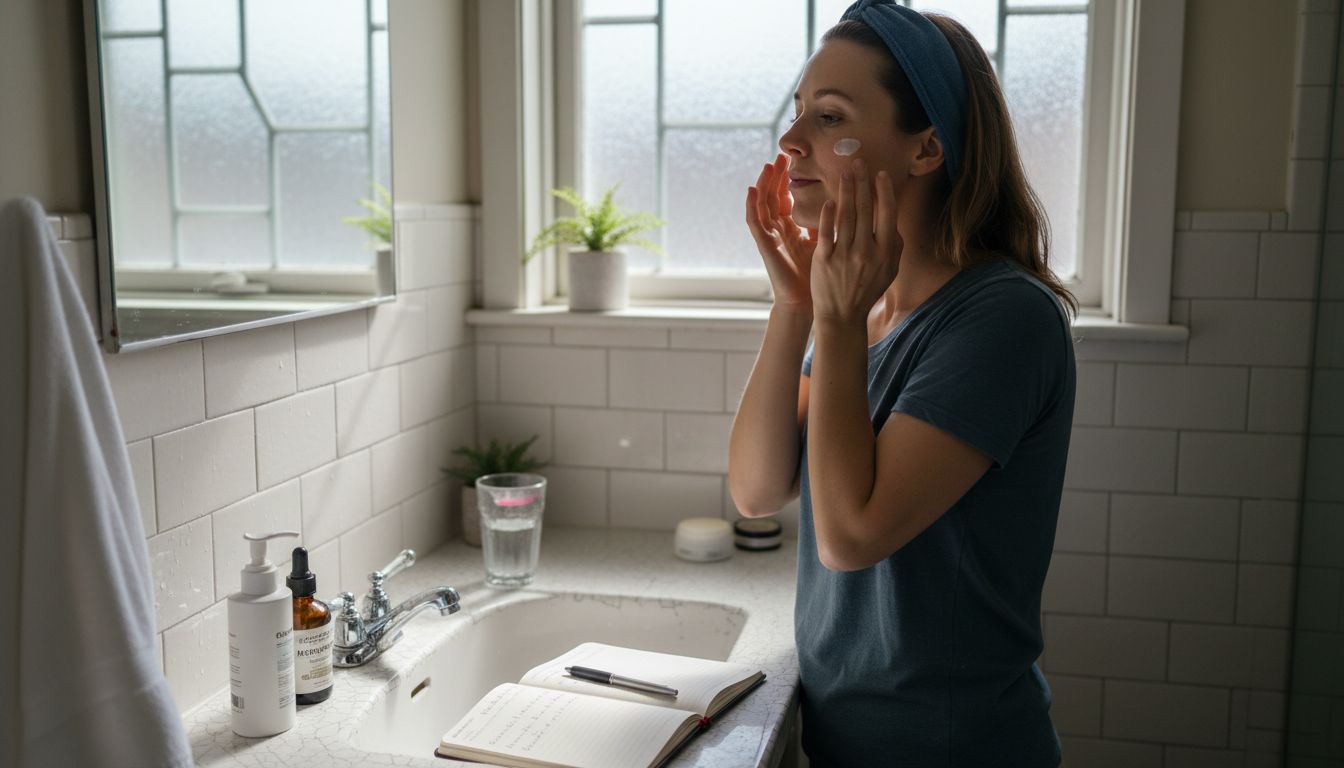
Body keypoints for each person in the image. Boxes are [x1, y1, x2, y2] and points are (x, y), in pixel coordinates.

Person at [727, 1, 1078, 766]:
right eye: (798, 111)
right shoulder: (865, 304)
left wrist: (837, 319)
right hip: (843, 740)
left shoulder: (1005, 318)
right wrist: (796, 307)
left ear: (925, 149)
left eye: (829, 117)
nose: (791, 142)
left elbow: (852, 536)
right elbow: (756, 491)